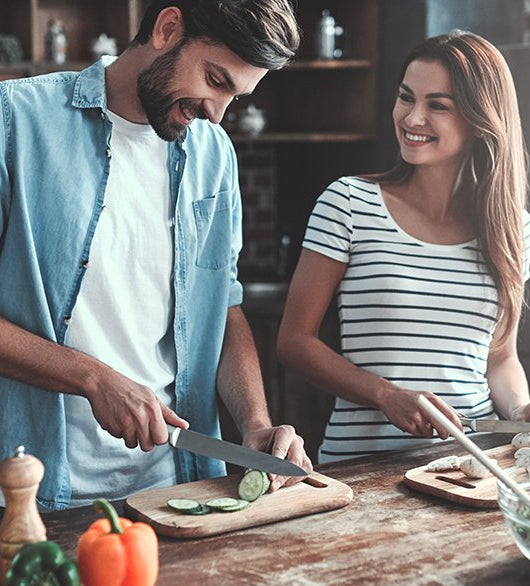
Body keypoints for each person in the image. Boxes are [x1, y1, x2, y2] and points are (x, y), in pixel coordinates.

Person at [0, 0, 312, 510]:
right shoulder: (15, 122)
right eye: (216, 79)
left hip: (178, 491)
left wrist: (255, 423)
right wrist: (93, 377)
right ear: (168, 28)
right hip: (33, 495)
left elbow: (223, 307)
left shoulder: (214, 155)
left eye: (236, 95)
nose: (217, 112)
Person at [277, 31, 530, 464]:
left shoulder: (512, 227)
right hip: (362, 466)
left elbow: (499, 358)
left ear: (478, 119)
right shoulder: (349, 203)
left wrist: (521, 411)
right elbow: (294, 341)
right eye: (406, 98)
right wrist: (386, 395)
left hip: (472, 464)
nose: (412, 118)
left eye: (437, 105)